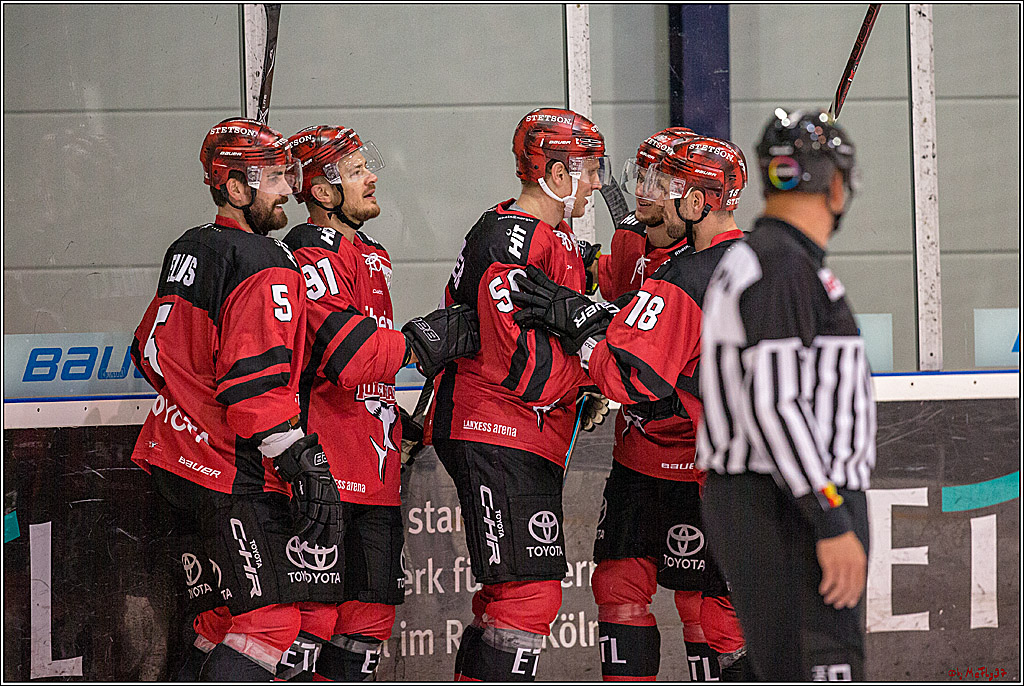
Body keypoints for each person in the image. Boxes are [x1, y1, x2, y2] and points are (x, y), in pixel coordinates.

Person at [511, 133, 754, 681]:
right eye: (644, 178)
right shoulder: (763, 262)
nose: (647, 192)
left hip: (710, 466)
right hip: (700, 462)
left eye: (664, 184)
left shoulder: (685, 276)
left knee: (715, 611)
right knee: (624, 584)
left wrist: (580, 325)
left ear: (696, 202)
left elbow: (629, 372)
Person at [130, 117, 345, 681]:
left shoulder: (188, 247)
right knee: (269, 623)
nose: (287, 190)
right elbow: (253, 388)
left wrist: (190, 402)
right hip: (228, 470)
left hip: (172, 459)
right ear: (234, 187)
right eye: (272, 179)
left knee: (221, 620)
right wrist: (299, 460)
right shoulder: (265, 263)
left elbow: (147, 352)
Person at [276, 125, 480, 681]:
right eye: (356, 170)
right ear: (323, 191)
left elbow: (370, 370)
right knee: (312, 622)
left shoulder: (369, 253)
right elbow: (347, 354)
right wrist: (419, 342)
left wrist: (394, 417)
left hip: (376, 473)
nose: (370, 178)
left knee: (368, 623)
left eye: (368, 166)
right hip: (323, 473)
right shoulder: (308, 253)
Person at [424, 107, 609, 681]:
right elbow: (520, 367)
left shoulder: (551, 237)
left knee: (506, 598)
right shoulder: (512, 240)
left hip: (516, 432)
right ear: (554, 174)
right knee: (529, 597)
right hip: (494, 426)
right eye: (588, 169)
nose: (596, 183)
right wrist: (593, 373)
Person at [696, 108, 875, 681]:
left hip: (773, 502)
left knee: (788, 666)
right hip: (788, 508)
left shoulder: (765, 260)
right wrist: (830, 516)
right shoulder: (781, 267)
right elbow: (777, 403)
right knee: (821, 664)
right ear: (836, 187)